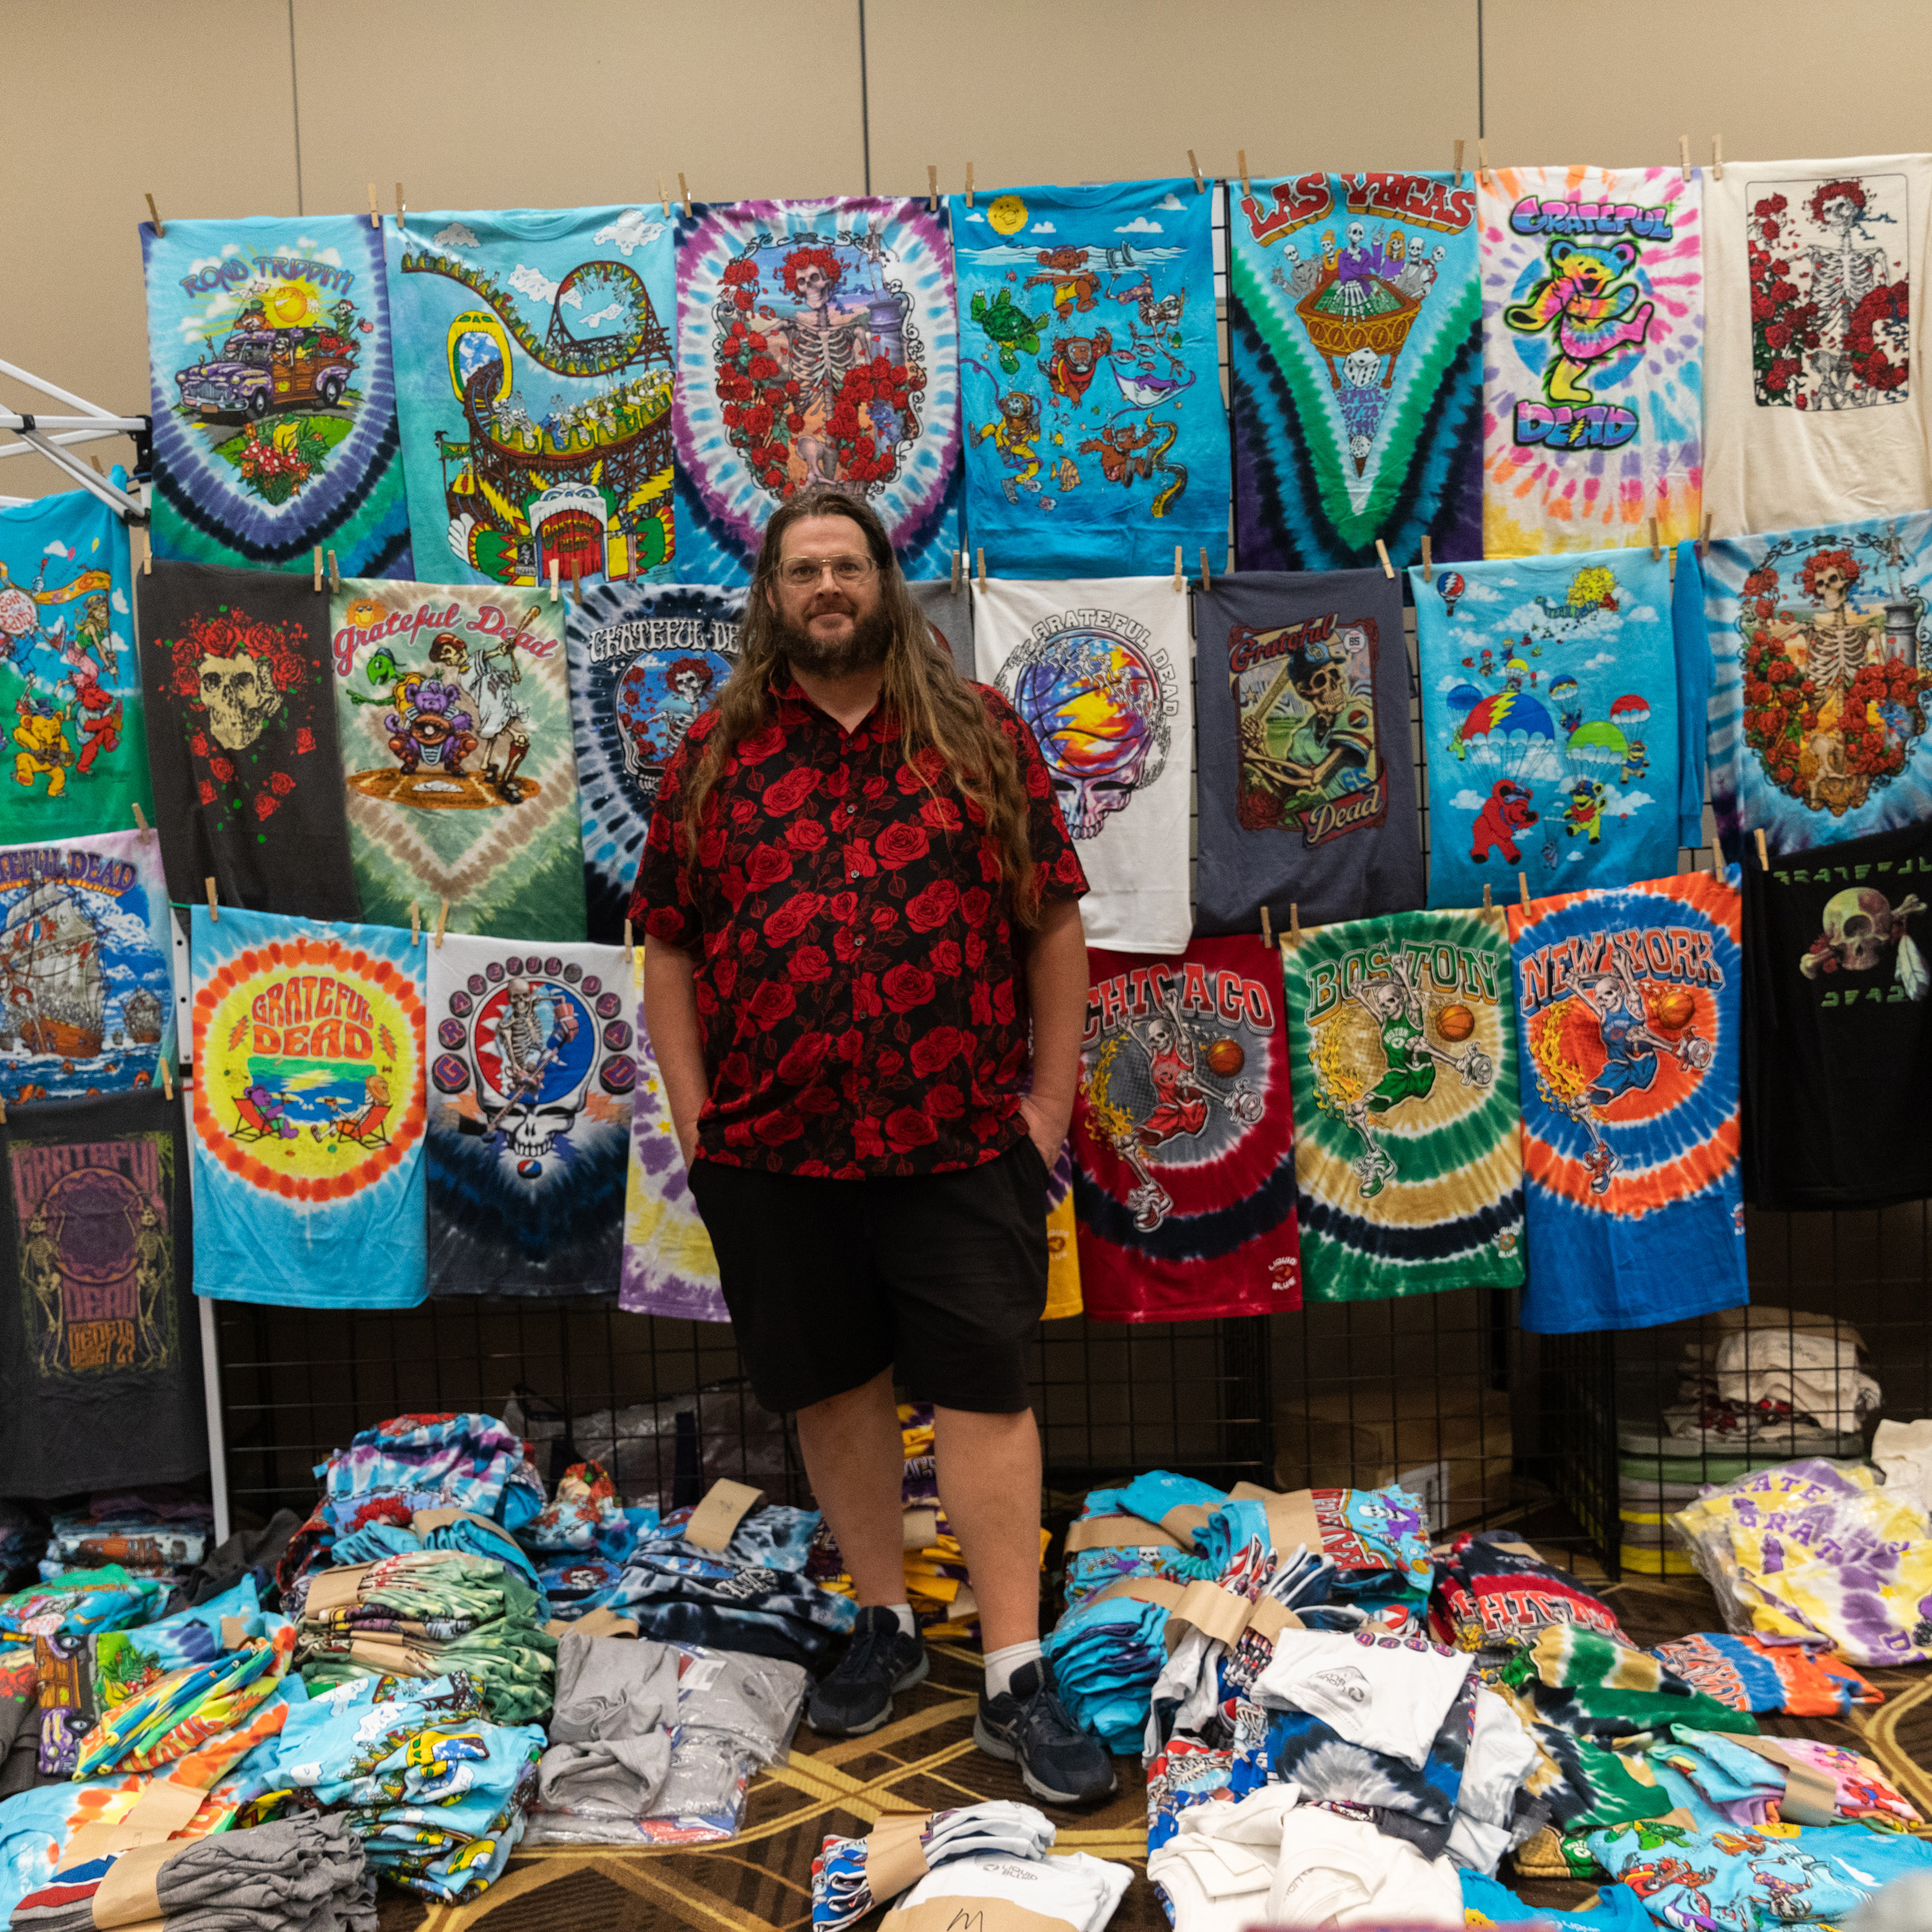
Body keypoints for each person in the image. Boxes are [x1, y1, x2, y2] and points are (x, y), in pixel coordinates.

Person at [631, 486, 1111, 1805]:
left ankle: (1014, 1665)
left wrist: (1049, 1113)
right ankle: (885, 1624)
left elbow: (1054, 925)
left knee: (985, 1397)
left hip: (959, 1142)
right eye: (803, 570)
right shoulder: (716, 755)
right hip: (775, 1153)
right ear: (771, 597)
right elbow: (667, 942)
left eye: (848, 565)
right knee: (832, 1391)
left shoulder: (980, 734)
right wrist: (696, 1119)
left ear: (886, 584)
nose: (827, 587)